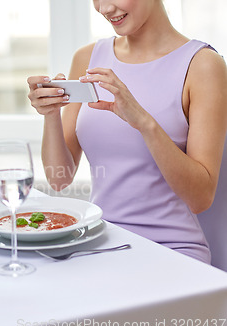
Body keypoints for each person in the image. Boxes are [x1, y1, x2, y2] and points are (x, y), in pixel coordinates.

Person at [27, 0, 227, 263]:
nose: (104, 8)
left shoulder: (203, 65)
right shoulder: (87, 58)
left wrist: (143, 121)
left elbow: (201, 198)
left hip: (173, 252)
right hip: (99, 244)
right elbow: (58, 179)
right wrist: (50, 114)